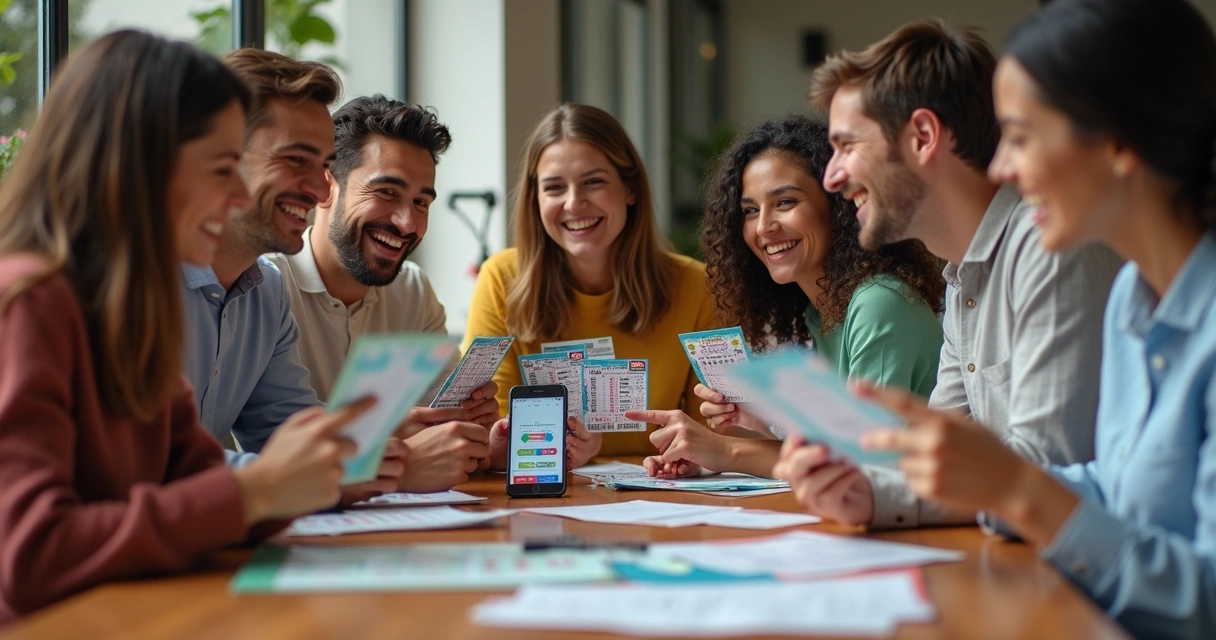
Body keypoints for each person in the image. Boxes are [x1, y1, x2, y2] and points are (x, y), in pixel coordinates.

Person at [835, 1, 1216, 637]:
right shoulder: (1132, 299)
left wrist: (1017, 488)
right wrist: (912, 486)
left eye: (1022, 136)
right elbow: (1107, 487)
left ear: (1119, 140)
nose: (1002, 167)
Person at [0, 31, 373, 625]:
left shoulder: (133, 308)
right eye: (221, 168)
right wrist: (259, 492)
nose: (234, 196)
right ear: (140, 162)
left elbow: (197, 481)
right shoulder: (31, 301)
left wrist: (312, 474)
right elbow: (29, 555)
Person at [771, 19, 1124, 529]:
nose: (832, 176)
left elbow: (1045, 478)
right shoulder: (962, 276)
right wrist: (865, 492)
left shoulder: (1048, 249)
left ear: (922, 136)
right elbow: (939, 458)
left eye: (847, 147)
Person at [189, 50, 484, 495]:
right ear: (221, 159)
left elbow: (290, 432)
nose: (316, 187)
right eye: (295, 161)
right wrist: (392, 468)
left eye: (321, 165)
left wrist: (391, 440)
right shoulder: (135, 283)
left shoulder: (263, 293)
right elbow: (152, 463)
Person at [631, 116, 945, 480]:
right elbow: (826, 448)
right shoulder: (819, 313)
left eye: (784, 202)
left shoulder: (880, 303)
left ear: (839, 204)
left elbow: (859, 466)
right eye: (750, 210)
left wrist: (726, 450)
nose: (764, 226)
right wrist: (746, 430)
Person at [464, 103, 718, 468]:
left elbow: (712, 436)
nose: (574, 203)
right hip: (546, 503)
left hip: (660, 500)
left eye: (593, 182)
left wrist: (691, 457)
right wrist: (552, 449)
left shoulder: (696, 286)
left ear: (630, 188)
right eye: (554, 188)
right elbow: (489, 434)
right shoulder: (501, 279)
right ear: (535, 200)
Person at [270, 94, 497, 490]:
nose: (407, 223)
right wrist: (395, 445)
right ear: (327, 187)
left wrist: (485, 443)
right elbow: (274, 447)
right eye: (386, 192)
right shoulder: (267, 287)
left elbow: (441, 427)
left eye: (421, 202)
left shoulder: (413, 290)